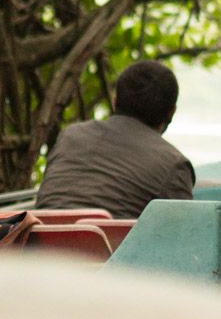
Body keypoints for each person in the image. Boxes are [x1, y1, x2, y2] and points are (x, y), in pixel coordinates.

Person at [34, 61, 195, 220]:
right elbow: (181, 236)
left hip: (37, 241)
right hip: (109, 245)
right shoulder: (174, 165)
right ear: (171, 112)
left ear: (115, 100)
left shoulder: (70, 136)